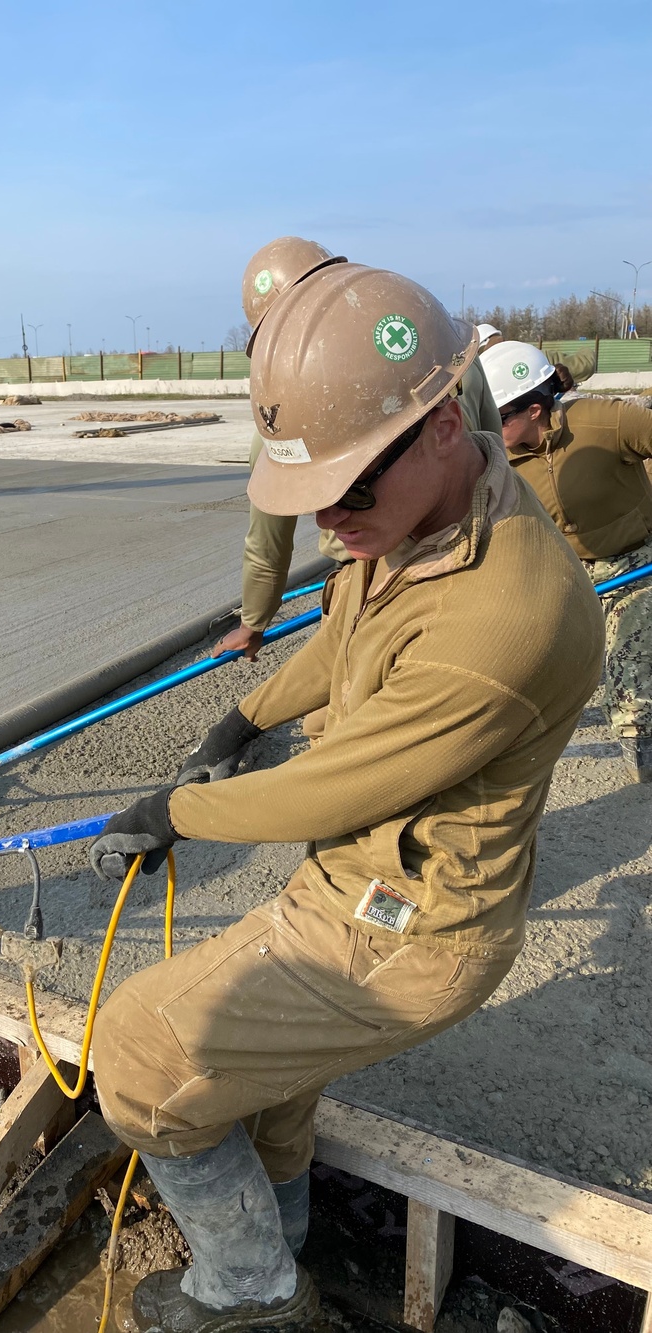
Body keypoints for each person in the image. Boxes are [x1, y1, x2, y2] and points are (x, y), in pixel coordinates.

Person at [89, 264, 604, 1333]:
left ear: (441, 427)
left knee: (138, 1051)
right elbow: (344, 637)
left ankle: (253, 1293)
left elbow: (333, 786)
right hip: (362, 879)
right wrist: (243, 718)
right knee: (259, 1089)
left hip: (413, 930)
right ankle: (278, 1242)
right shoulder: (414, 519)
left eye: (349, 490)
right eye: (309, 495)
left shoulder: (504, 619)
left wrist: (178, 811)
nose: (329, 520)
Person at [217, 245, 503, 664]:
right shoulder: (445, 353)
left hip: (373, 577)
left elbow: (268, 541)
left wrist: (254, 622)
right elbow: (492, 451)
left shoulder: (293, 429)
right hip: (474, 553)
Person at [481, 340, 652, 782]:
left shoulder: (605, 422)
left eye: (497, 419)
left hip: (632, 559)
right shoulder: (496, 460)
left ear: (534, 411)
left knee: (629, 650)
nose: (486, 429)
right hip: (561, 567)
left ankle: (638, 739)